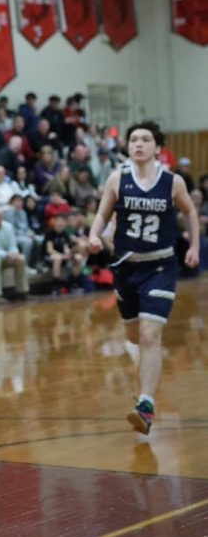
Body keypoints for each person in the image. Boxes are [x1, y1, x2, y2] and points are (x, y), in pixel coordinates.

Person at [88, 121, 199, 435]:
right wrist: (95, 236)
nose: (138, 143)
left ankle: (146, 405)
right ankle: (145, 380)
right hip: (126, 266)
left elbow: (189, 211)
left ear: (157, 147)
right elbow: (102, 214)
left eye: (145, 139)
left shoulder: (172, 182)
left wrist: (192, 246)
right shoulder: (117, 178)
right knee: (135, 336)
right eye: (133, 139)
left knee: (150, 335)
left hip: (160, 266)